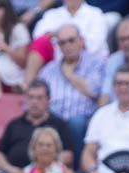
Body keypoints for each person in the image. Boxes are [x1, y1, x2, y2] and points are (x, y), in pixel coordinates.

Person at [37, 24, 105, 158]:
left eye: (71, 40)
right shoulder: (49, 70)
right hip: (54, 120)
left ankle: (79, 168)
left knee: (75, 123)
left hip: (83, 119)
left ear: (81, 41)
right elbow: (39, 95)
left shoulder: (95, 63)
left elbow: (94, 91)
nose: (67, 46)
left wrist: (70, 75)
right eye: (62, 43)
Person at [0, 80, 73, 173]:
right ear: (26, 99)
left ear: (48, 100)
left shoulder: (59, 124)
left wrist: (40, 170)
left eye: (39, 98)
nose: (34, 102)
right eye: (31, 97)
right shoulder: (14, 124)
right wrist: (11, 170)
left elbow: (68, 155)